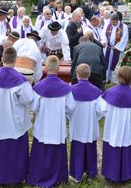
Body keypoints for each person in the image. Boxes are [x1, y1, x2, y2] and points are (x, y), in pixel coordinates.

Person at [0, 47, 34, 185]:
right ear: (15, 60)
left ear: (2, 59)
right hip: (16, 121)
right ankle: (18, 177)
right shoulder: (20, 80)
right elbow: (28, 99)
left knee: (1, 151)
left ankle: (2, 177)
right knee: (17, 151)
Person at [28, 56, 75, 187]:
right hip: (58, 127)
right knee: (57, 152)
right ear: (59, 68)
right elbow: (70, 107)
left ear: (45, 68)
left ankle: (38, 176)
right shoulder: (65, 88)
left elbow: (34, 107)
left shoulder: (38, 87)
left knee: (41, 150)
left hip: (42, 125)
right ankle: (58, 177)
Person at [100, 66, 131, 183]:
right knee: (126, 148)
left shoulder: (110, 93)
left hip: (112, 128)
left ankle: (110, 175)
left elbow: (103, 110)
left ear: (118, 77)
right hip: (127, 129)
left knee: (112, 147)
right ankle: (125, 175)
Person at [69, 64, 103, 183]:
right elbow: (100, 111)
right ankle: (91, 174)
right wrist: (94, 119)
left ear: (77, 75)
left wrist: (71, 117)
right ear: (89, 75)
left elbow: (68, 108)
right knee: (90, 148)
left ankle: (76, 175)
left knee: (77, 149)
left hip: (77, 126)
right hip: (90, 127)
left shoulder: (71, 91)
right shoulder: (96, 92)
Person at [101, 13, 128, 83]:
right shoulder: (108, 25)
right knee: (107, 63)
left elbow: (124, 38)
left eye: (114, 22)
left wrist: (117, 47)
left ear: (117, 20)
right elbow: (103, 34)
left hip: (117, 49)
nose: (112, 23)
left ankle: (114, 79)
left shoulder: (123, 27)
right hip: (108, 48)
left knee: (115, 63)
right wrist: (104, 41)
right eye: (111, 21)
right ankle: (107, 78)